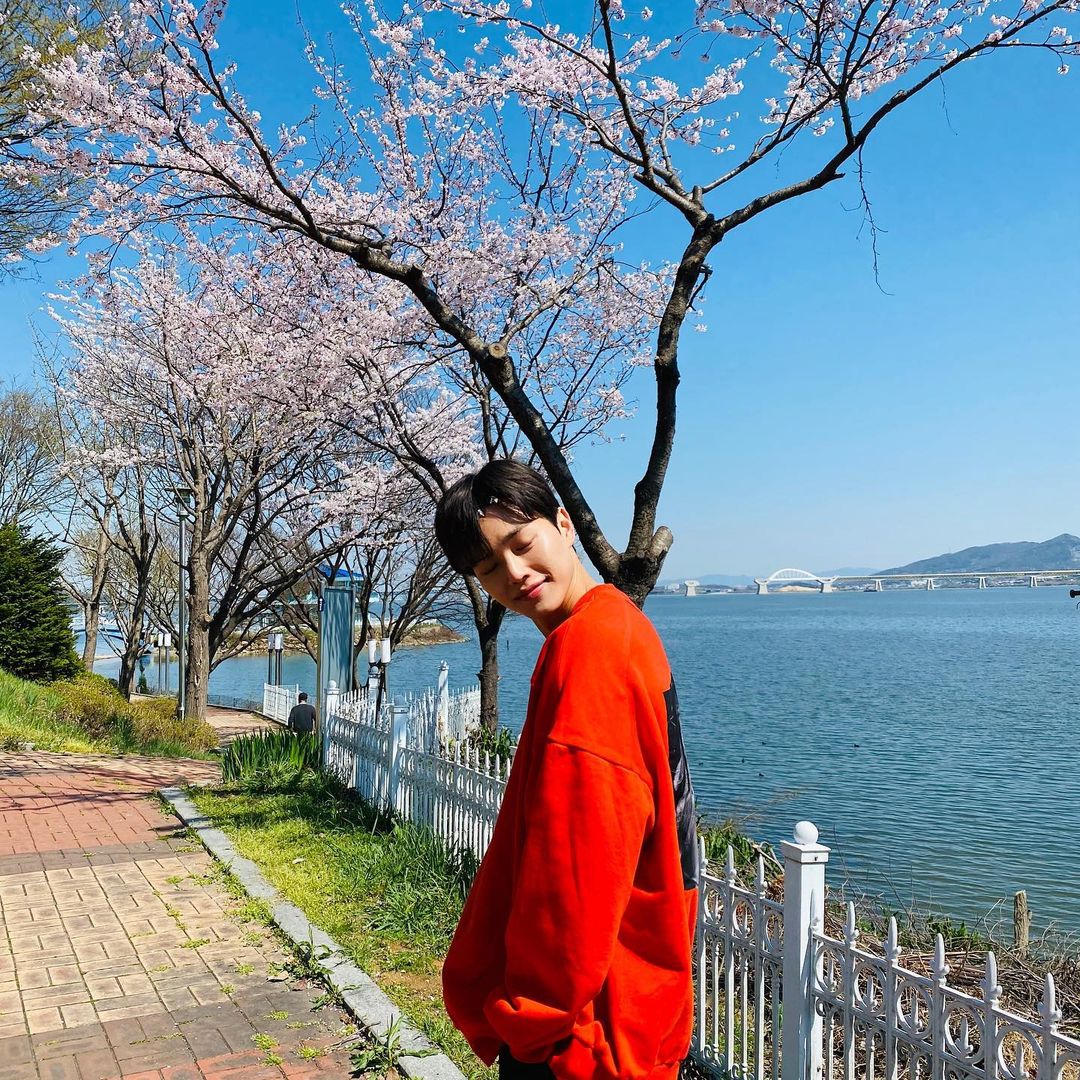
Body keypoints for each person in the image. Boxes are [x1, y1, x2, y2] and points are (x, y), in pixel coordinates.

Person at [434, 460, 698, 1080]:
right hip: (631, 1011)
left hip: (584, 1036)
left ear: (563, 524)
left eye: (521, 543)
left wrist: (532, 1022)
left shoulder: (590, 650)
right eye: (488, 568)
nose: (513, 573)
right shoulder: (617, 625)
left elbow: (578, 869)